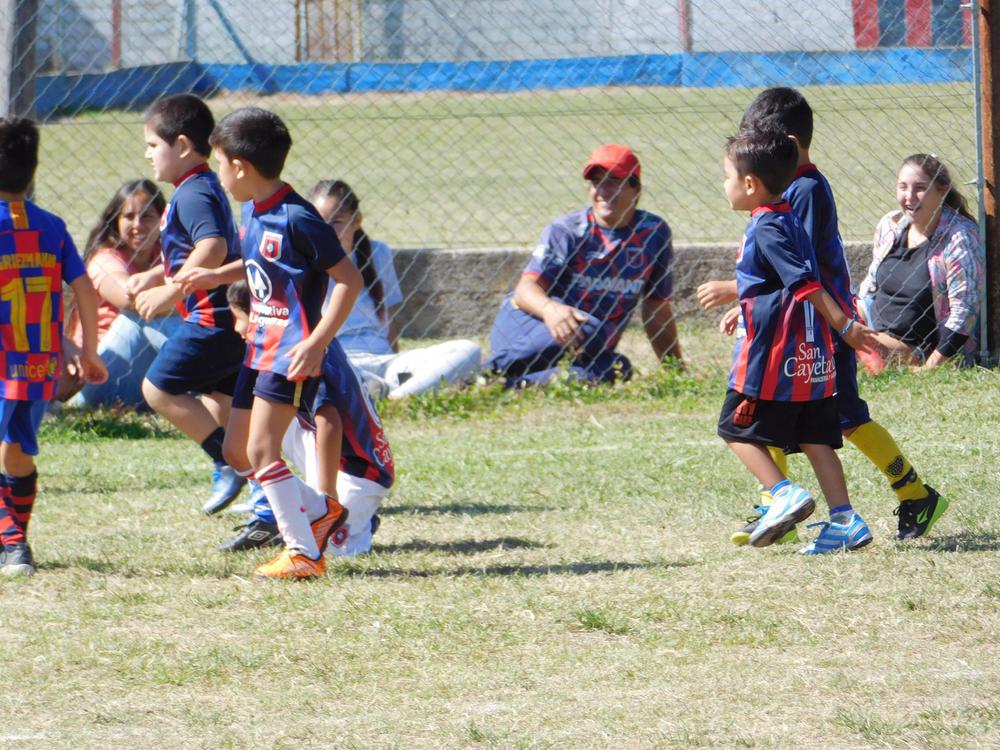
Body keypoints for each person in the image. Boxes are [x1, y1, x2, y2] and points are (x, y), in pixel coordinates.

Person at [699, 87, 948, 544]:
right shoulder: (783, 191)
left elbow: (799, 268)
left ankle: (913, 493)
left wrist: (739, 291)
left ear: (788, 143)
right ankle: (777, 508)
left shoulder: (807, 190)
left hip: (825, 331)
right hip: (798, 329)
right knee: (781, 414)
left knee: (844, 419)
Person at [207, 106, 363, 580]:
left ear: (240, 166)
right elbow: (261, 268)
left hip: (289, 353)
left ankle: (303, 553)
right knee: (237, 452)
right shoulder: (252, 209)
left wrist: (317, 342)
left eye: (218, 163)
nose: (219, 173)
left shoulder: (300, 218)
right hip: (258, 348)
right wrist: (212, 276)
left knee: (261, 452)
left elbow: (348, 280)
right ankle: (319, 509)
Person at [717, 130, 879, 554]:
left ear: (750, 184)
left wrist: (845, 325)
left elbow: (803, 283)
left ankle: (781, 493)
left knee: (734, 428)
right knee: (814, 438)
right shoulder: (790, 213)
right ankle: (845, 520)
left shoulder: (766, 224)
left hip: (774, 355)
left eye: (727, 176)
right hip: (811, 355)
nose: (724, 185)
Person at [130, 94, 249, 515]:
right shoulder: (198, 186)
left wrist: (171, 292)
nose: (147, 154)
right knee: (222, 406)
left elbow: (213, 248)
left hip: (212, 320)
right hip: (228, 320)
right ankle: (265, 495)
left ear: (181, 145)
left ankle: (228, 464)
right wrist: (155, 275)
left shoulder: (191, 194)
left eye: (152, 145)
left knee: (158, 388)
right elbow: (190, 252)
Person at [0, 117, 108, 576]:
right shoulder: (51, 226)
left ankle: (13, 543)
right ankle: (14, 544)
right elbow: (84, 289)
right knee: (15, 452)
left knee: (10, 451)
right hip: (37, 365)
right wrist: (87, 349)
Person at [218, 280, 394, 557]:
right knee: (266, 419)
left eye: (238, 318)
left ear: (260, 315)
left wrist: (327, 497)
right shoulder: (302, 337)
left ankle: (338, 511)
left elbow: (329, 422)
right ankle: (333, 511)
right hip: (330, 452)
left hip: (359, 470)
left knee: (333, 551)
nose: (236, 328)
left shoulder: (304, 353)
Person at [487, 144, 681, 387]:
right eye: (597, 182)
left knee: (618, 367)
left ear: (636, 189)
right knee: (594, 329)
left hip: (587, 343)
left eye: (613, 181)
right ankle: (488, 371)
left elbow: (656, 310)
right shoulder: (567, 231)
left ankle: (508, 386)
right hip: (528, 327)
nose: (603, 190)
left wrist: (676, 371)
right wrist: (551, 310)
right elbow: (525, 290)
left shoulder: (653, 233)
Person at [309, 179, 481, 400]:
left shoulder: (377, 253)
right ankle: (383, 389)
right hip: (339, 359)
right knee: (332, 374)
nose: (327, 231)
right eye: (318, 222)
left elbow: (387, 319)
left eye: (336, 222)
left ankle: (396, 396)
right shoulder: (304, 260)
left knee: (468, 351)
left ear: (356, 220)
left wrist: (395, 358)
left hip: (385, 362)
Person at [61, 179, 184, 409]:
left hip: (138, 377)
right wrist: (182, 296)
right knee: (138, 318)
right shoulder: (105, 259)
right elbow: (133, 300)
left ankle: (210, 382)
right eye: (128, 216)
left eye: (147, 216)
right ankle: (214, 381)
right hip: (92, 381)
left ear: (162, 220)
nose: (138, 224)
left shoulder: (165, 254)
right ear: (115, 221)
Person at [857, 153, 984, 370]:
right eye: (903, 187)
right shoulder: (890, 225)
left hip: (915, 347)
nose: (909, 196)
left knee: (847, 343)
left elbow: (965, 313)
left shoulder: (960, 237)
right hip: (871, 328)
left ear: (942, 191)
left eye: (920, 188)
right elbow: (867, 291)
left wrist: (930, 368)